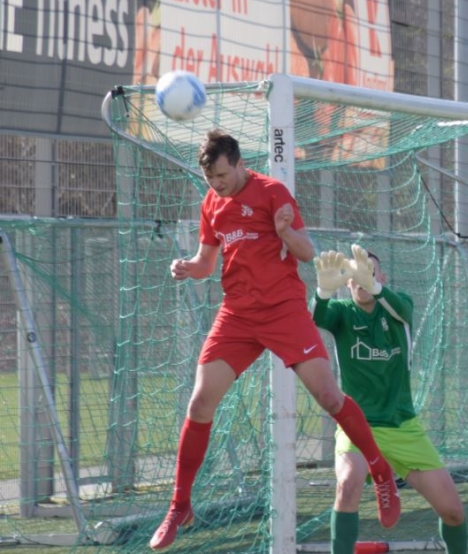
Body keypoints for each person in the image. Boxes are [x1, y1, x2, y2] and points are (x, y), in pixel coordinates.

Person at [149, 131, 399, 550]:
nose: (218, 185)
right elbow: (207, 263)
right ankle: (180, 505)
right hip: (237, 315)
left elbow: (307, 252)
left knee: (329, 397)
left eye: (223, 176)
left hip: (283, 311)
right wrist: (188, 267)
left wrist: (284, 232)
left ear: (239, 162)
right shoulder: (211, 203)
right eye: (211, 179)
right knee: (200, 402)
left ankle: (380, 470)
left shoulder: (272, 191)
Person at [313, 246, 468, 554]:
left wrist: (374, 286)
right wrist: (321, 292)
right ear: (346, 283)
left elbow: (400, 307)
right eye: (353, 275)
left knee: (453, 512)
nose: (360, 280)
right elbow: (313, 318)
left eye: (367, 272)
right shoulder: (343, 314)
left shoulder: (400, 307)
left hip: (402, 427)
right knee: (348, 484)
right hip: (356, 425)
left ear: (381, 277)